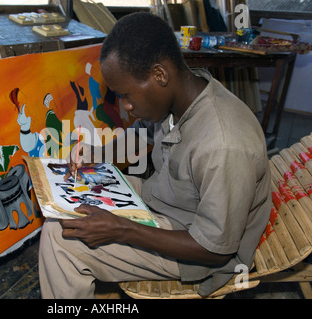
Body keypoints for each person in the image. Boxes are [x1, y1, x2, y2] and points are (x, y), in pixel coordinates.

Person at [38, 12, 271, 298]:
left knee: (61, 238)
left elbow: (214, 250)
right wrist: (95, 155)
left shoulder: (223, 145)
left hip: (193, 247)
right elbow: (142, 138)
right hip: (164, 200)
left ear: (159, 75)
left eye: (126, 95)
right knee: (70, 205)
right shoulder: (183, 95)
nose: (125, 108)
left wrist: (122, 230)